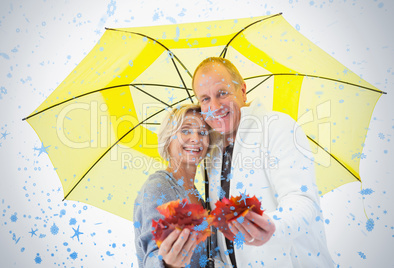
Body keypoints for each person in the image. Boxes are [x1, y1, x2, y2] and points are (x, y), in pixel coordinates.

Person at [192, 57, 334, 267]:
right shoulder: (211, 152)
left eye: (222, 93)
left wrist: (272, 225)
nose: (214, 106)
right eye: (204, 99)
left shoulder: (277, 127)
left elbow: (302, 200)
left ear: (242, 90)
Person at [133, 104, 219, 268]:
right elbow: (151, 258)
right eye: (185, 130)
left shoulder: (200, 196)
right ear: (168, 139)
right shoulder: (158, 187)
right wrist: (168, 264)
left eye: (203, 132)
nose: (196, 138)